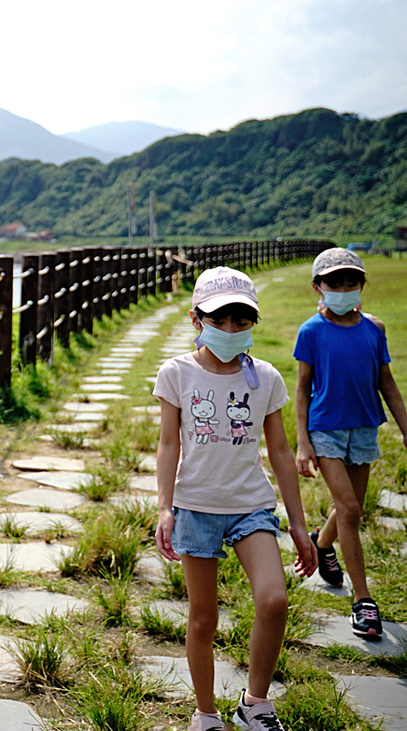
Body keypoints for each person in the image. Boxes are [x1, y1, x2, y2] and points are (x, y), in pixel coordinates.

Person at [155, 266, 315, 731]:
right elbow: (169, 444)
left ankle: (255, 703)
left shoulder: (264, 377)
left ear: (252, 322)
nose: (229, 329)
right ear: (196, 319)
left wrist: (298, 524)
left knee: (273, 601)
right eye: (219, 319)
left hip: (251, 506)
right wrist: (165, 508)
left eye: (241, 320)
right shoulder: (176, 373)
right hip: (196, 507)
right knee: (203, 618)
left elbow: (281, 452)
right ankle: (205, 714)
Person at [293, 247, 407, 640]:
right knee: (351, 509)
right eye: (334, 283)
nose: (343, 289)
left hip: (364, 428)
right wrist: (303, 442)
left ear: (361, 286)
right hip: (325, 429)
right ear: (318, 288)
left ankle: (323, 545)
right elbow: (303, 389)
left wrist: (405, 427)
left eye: (351, 282)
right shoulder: (311, 331)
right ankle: (363, 601)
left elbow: (387, 385)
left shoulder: (374, 329)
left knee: (349, 511)